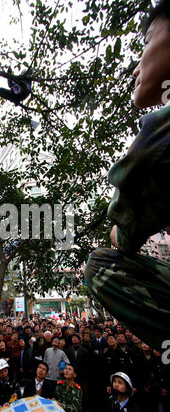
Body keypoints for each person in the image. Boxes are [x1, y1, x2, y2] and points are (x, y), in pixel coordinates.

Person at [84, 0, 170, 351]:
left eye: (147, 42)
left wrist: (120, 229)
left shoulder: (161, 129)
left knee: (101, 265)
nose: (136, 68)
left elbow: (126, 236)